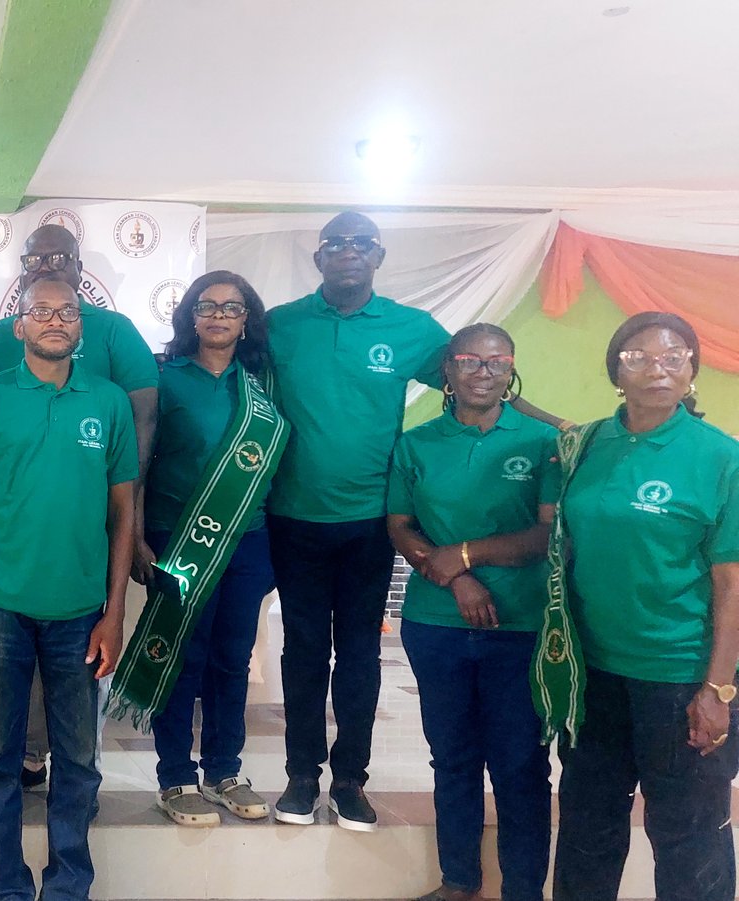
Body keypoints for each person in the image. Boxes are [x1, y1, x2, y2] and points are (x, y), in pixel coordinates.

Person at [0, 278, 137, 901]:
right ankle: (8, 885)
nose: (55, 320)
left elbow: (123, 512)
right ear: (19, 325)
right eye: (41, 311)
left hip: (80, 612)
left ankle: (68, 885)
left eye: (67, 312)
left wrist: (114, 613)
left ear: (81, 326)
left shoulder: (108, 402)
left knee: (78, 760)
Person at [265, 211, 452, 831]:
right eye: (337, 244)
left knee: (360, 654)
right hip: (293, 518)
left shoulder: (411, 328)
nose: (349, 252)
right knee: (303, 651)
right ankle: (300, 777)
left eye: (362, 244)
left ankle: (350, 781)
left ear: (378, 257)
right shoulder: (281, 324)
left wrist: (559, 430)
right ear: (319, 258)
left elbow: (478, 378)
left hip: (372, 523)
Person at [543, 312, 739, 901]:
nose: (658, 368)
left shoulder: (720, 457)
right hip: (592, 673)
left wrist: (718, 690)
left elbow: (732, 584)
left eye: (674, 357)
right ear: (616, 372)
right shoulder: (584, 446)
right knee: (587, 825)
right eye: (639, 357)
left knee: (688, 834)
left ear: (692, 371)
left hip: (679, 678)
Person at [0, 223, 158, 786]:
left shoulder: (114, 330)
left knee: (81, 658)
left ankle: (78, 771)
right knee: (16, 662)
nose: (48, 264)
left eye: (60, 256)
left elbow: (142, 419)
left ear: (80, 267)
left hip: (87, 520)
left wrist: (127, 510)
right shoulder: (0, 338)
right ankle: (30, 751)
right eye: (36, 258)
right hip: (15, 535)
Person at [386, 324, 556, 901]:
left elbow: (545, 534)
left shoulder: (542, 442)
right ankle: (458, 882)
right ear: (448, 371)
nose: (483, 373)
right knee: (452, 758)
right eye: (469, 361)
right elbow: (399, 526)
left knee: (520, 764)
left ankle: (523, 891)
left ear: (511, 370)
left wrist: (464, 554)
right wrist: (458, 578)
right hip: (435, 626)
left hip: (521, 626)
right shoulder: (416, 444)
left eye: (496, 362)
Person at [124, 272, 285, 827]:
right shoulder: (164, 378)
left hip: (249, 540)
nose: (218, 316)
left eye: (231, 307)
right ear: (190, 316)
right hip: (178, 538)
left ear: (247, 319)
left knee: (232, 658)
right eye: (206, 306)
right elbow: (137, 465)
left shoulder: (263, 386)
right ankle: (175, 776)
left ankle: (223, 770)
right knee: (179, 655)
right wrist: (136, 537)